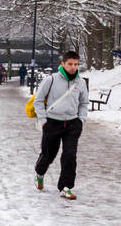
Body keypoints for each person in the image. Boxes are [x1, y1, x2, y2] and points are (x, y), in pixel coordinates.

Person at [33, 50, 88, 200]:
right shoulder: (51, 80)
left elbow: (84, 103)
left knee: (70, 155)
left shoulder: (81, 82)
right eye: (70, 64)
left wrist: (81, 120)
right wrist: (44, 121)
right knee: (48, 155)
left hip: (72, 124)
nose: (73, 67)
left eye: (76, 64)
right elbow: (38, 101)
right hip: (52, 123)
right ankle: (40, 172)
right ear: (62, 64)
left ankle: (65, 187)